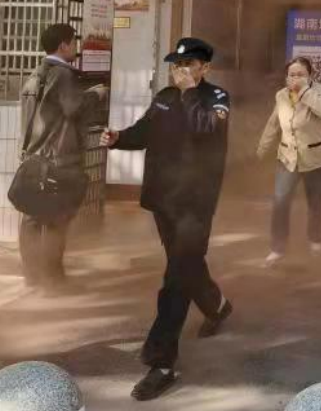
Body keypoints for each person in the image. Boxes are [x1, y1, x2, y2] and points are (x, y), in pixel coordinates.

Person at [100, 37, 232, 401]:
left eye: (188, 65)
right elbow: (145, 131)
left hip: (195, 204)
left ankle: (161, 363)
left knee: (175, 279)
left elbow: (206, 129)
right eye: (176, 65)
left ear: (205, 68)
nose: (180, 71)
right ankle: (218, 306)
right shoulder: (165, 96)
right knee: (185, 265)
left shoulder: (216, 98)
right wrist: (118, 138)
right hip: (164, 200)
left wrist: (189, 94)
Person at [19, 24, 108, 291]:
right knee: (56, 220)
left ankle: (32, 277)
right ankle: (53, 281)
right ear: (63, 45)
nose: (76, 47)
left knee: (32, 218)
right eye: (74, 42)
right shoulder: (64, 75)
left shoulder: (35, 74)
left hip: (33, 158)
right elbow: (74, 109)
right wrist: (95, 94)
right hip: (59, 160)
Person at [257, 57, 321, 268]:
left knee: (316, 203)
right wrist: (263, 147)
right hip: (288, 158)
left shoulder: (320, 92)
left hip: (316, 159)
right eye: (292, 75)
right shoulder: (281, 95)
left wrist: (304, 91)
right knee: (280, 202)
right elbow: (273, 123)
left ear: (310, 76)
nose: (296, 78)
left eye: (301, 74)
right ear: (286, 77)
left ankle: (316, 240)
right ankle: (277, 248)